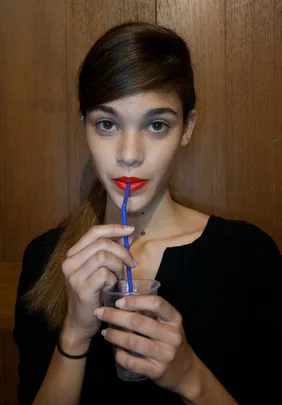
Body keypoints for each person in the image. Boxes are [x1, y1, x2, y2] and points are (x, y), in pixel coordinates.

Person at [13, 21, 281, 405]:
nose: (129, 154)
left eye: (156, 125)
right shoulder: (46, 259)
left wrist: (189, 376)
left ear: (187, 127)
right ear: (83, 127)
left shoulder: (248, 256)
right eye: (107, 124)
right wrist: (74, 332)